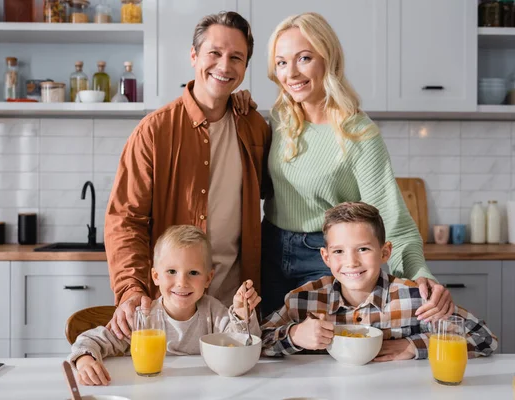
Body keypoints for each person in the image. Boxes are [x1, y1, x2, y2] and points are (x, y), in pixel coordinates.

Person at [251, 12, 452, 318]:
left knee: (319, 351)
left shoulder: (357, 133)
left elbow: (391, 215)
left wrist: (419, 271)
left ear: (327, 59)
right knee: (271, 345)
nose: (290, 73)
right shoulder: (281, 118)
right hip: (269, 249)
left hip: (328, 256)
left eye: (303, 58)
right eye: (281, 62)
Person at [104, 11, 270, 340]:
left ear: (245, 68)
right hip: (171, 310)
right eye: (214, 53)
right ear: (194, 56)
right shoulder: (155, 130)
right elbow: (125, 219)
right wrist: (130, 289)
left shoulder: (254, 126)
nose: (224, 66)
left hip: (234, 310)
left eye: (236, 57)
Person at [260, 202, 497, 361]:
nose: (351, 262)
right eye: (339, 251)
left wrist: (415, 347)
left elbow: (484, 339)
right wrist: (293, 335)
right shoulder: (304, 300)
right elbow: (258, 342)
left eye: (363, 249)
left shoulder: (414, 298)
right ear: (326, 257)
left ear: (385, 253)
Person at [70, 225, 261, 386]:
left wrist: (241, 314)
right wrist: (85, 360)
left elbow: (243, 343)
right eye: (171, 271)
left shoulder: (214, 312)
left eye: (193, 273)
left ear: (208, 278)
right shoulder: (142, 317)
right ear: (155, 276)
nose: (182, 282)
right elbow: (90, 340)